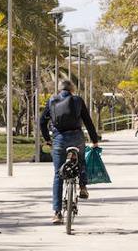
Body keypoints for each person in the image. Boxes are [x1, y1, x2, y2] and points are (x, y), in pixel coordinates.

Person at [40, 79, 100, 224]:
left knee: (58, 175)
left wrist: (48, 139)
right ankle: (83, 186)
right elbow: (88, 122)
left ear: (59, 90)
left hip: (59, 139)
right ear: (72, 90)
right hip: (76, 137)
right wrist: (94, 140)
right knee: (81, 159)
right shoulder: (78, 100)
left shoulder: (52, 100)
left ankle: (57, 213)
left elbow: (42, 121)